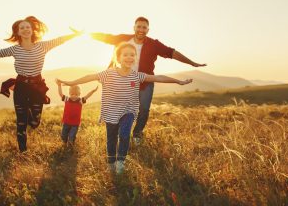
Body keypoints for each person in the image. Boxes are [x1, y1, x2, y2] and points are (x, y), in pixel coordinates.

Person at [56, 42, 193, 174]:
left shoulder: (137, 75)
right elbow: (89, 77)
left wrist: (178, 81)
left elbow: (158, 77)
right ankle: (111, 162)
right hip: (111, 112)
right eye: (125, 55)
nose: (129, 57)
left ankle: (120, 162)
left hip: (129, 111)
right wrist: (69, 82)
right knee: (111, 138)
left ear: (135, 58)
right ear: (119, 58)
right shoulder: (108, 73)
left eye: (132, 55)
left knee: (124, 134)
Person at [0, 16, 81, 152]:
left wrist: (76, 34)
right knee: (21, 122)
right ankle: (23, 152)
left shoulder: (42, 46)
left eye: (27, 27)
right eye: (22, 28)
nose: (25, 29)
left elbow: (60, 40)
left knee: (35, 123)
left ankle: (30, 114)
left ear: (32, 30)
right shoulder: (15, 49)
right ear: (18, 32)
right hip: (21, 87)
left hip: (37, 87)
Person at [89, 16, 206, 145]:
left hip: (146, 81)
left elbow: (171, 52)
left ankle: (137, 134)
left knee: (144, 109)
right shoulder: (123, 38)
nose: (141, 29)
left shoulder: (153, 44)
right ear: (134, 28)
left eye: (144, 27)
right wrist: (84, 33)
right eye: (138, 26)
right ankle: (120, 134)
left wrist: (192, 63)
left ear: (148, 30)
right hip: (124, 80)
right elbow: (105, 37)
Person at [56, 80, 98, 147]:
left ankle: (70, 147)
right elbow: (60, 94)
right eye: (72, 94)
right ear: (70, 93)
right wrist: (59, 85)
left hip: (75, 124)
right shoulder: (67, 99)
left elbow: (87, 96)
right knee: (63, 136)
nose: (74, 96)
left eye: (76, 94)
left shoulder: (80, 101)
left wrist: (93, 91)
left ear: (79, 94)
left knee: (71, 136)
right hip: (66, 122)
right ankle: (64, 145)